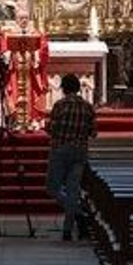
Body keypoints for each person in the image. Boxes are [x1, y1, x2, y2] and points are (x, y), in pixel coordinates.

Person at [45, 73, 97, 240]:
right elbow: (93, 132)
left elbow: (51, 129)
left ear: (63, 88)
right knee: (73, 190)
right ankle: (68, 229)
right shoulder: (88, 107)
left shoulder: (60, 105)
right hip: (80, 150)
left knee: (53, 188)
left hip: (60, 149)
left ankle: (79, 215)